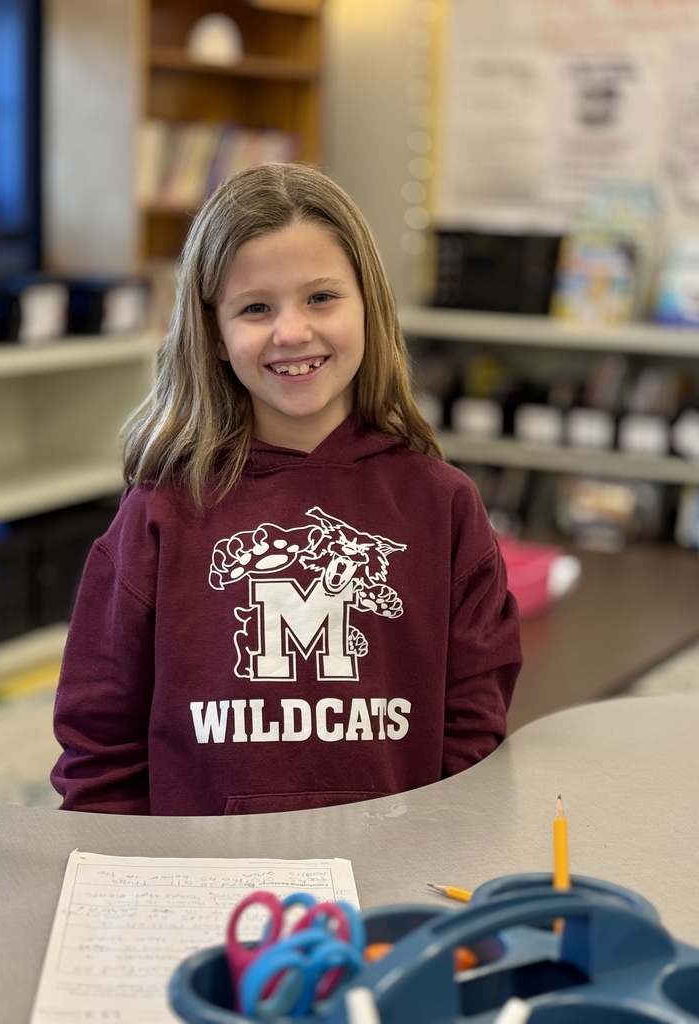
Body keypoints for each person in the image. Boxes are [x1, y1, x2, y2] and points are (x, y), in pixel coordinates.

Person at [51, 162, 522, 816]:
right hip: (203, 887)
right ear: (213, 333)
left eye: (321, 298)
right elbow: (100, 743)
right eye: (255, 308)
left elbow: (474, 732)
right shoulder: (160, 512)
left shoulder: (442, 504)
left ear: (370, 306)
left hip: (394, 881)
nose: (292, 332)